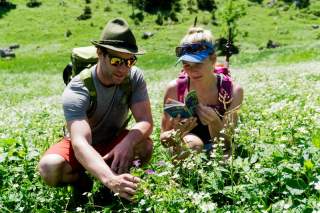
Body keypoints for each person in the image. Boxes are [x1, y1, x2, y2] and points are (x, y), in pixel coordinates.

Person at [38, 18, 153, 201]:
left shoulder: (134, 77)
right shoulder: (78, 88)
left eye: (129, 61)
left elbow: (145, 121)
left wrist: (127, 142)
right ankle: (84, 183)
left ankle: (115, 190)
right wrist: (110, 179)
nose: (123, 68)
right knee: (49, 168)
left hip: (114, 142)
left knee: (144, 145)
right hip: (85, 146)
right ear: (100, 53)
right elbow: (80, 143)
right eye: (116, 61)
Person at [160, 26, 243, 160]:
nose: (192, 71)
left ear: (213, 60)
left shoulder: (233, 91)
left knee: (225, 160)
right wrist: (176, 133)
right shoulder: (174, 89)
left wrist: (215, 122)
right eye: (187, 65)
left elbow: (227, 143)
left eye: (198, 63)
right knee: (193, 146)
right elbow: (163, 140)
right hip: (186, 143)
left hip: (219, 143)